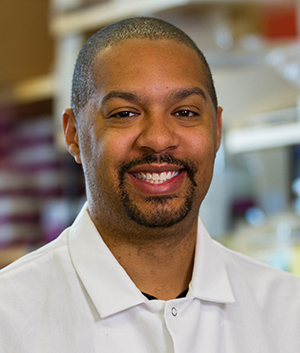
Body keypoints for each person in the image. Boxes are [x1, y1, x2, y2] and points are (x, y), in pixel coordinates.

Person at [0, 17, 300, 353]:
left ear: (216, 128)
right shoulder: (10, 319)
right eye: (124, 114)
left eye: (185, 112)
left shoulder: (288, 312)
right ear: (73, 134)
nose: (158, 139)